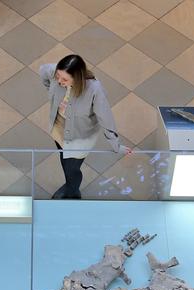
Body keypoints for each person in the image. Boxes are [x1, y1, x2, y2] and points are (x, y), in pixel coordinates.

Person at [40, 54, 132, 199]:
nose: (59, 81)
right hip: (59, 129)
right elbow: (43, 72)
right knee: (65, 161)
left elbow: (106, 118)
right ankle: (70, 186)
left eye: (64, 79)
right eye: (58, 76)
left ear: (77, 78)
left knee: (72, 168)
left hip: (80, 137)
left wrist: (116, 145)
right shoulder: (54, 72)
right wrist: (52, 93)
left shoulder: (94, 89)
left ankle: (72, 191)